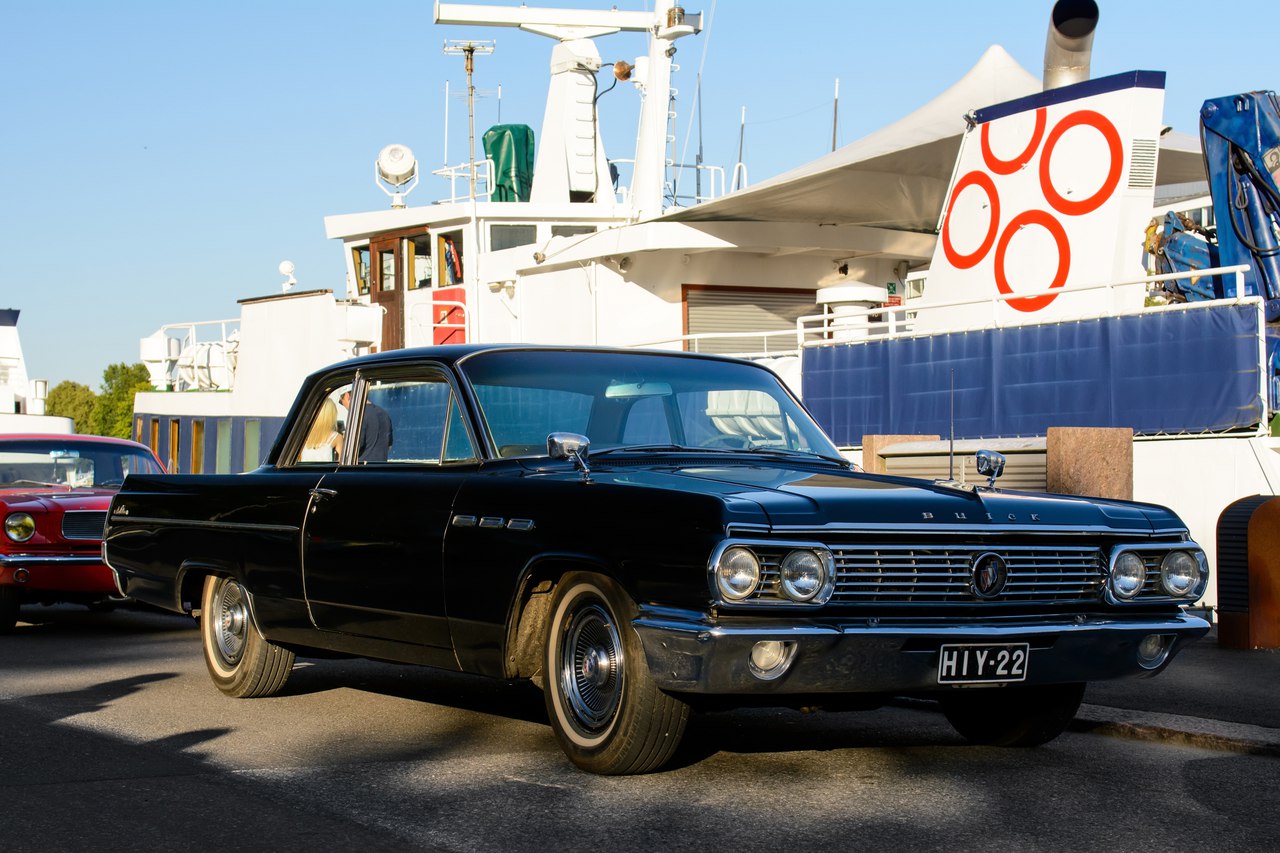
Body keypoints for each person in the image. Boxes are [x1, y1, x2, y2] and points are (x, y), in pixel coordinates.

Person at [341, 390, 393, 462]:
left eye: (342, 402)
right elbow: (389, 446)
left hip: (362, 469)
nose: (345, 408)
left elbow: (355, 447)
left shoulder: (359, 415)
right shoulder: (384, 414)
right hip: (382, 468)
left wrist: (344, 440)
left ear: (347, 396)